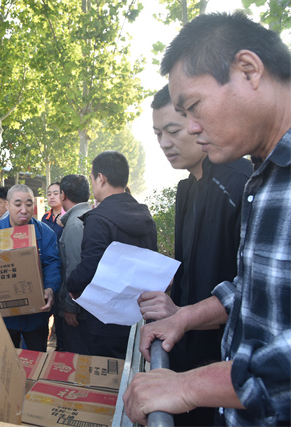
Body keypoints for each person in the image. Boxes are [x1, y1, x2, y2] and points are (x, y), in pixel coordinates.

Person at [123, 12, 290, 426]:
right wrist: (185, 316)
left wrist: (190, 385)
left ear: (248, 70)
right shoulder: (264, 175)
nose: (193, 129)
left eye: (193, 108)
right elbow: (255, 289)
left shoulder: (240, 178)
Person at [137, 84, 252, 426]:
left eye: (173, 131)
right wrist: (170, 301)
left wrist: (185, 314)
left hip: (228, 365)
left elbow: (250, 288)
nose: (164, 143)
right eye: (158, 134)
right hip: (185, 348)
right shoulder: (186, 188)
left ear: (199, 121)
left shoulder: (242, 184)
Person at [66, 151, 157, 359]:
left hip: (106, 318)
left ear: (101, 178)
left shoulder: (98, 219)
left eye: (92, 179)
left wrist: (72, 284)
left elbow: (91, 266)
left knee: (106, 372)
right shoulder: (144, 214)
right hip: (138, 314)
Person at [0, 184, 62, 352]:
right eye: (18, 204)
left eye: (28, 204)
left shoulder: (45, 233)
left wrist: (50, 288)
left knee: (35, 356)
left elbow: (52, 263)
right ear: (7, 205)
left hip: (36, 313)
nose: (24, 210)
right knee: (6, 358)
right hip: (4, 317)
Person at [56, 174, 92, 354]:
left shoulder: (74, 224)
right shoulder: (87, 215)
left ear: (63, 195)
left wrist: (70, 307)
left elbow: (75, 267)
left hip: (79, 310)